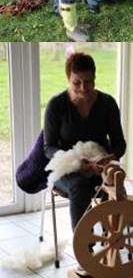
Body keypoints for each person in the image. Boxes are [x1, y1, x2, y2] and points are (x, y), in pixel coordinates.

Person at [43, 51, 126, 231]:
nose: (83, 87)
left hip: (100, 166)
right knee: (79, 186)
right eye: (76, 83)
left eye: (88, 81)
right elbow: (48, 147)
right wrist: (76, 162)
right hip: (67, 169)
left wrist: (108, 158)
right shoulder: (56, 105)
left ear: (95, 77)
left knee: (114, 181)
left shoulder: (107, 104)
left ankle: (111, 240)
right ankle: (84, 248)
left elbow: (120, 144)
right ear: (68, 79)